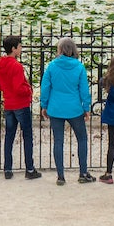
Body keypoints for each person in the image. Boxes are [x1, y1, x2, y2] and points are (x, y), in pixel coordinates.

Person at [39, 37, 95, 185]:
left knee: (58, 141)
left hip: (56, 108)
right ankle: (83, 172)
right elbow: (84, 89)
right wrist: (86, 107)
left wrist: (44, 105)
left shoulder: (52, 66)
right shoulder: (79, 67)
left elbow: (45, 87)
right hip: (74, 108)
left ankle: (61, 176)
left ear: (60, 49)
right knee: (82, 139)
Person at [0, 35, 41, 179]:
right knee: (27, 136)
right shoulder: (16, 66)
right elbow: (19, 87)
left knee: (9, 136)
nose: (21, 48)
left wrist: (5, 88)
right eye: (19, 46)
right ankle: (30, 169)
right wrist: (28, 90)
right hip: (21, 104)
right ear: (14, 49)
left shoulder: (1, 64)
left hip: (8, 104)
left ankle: (7, 169)